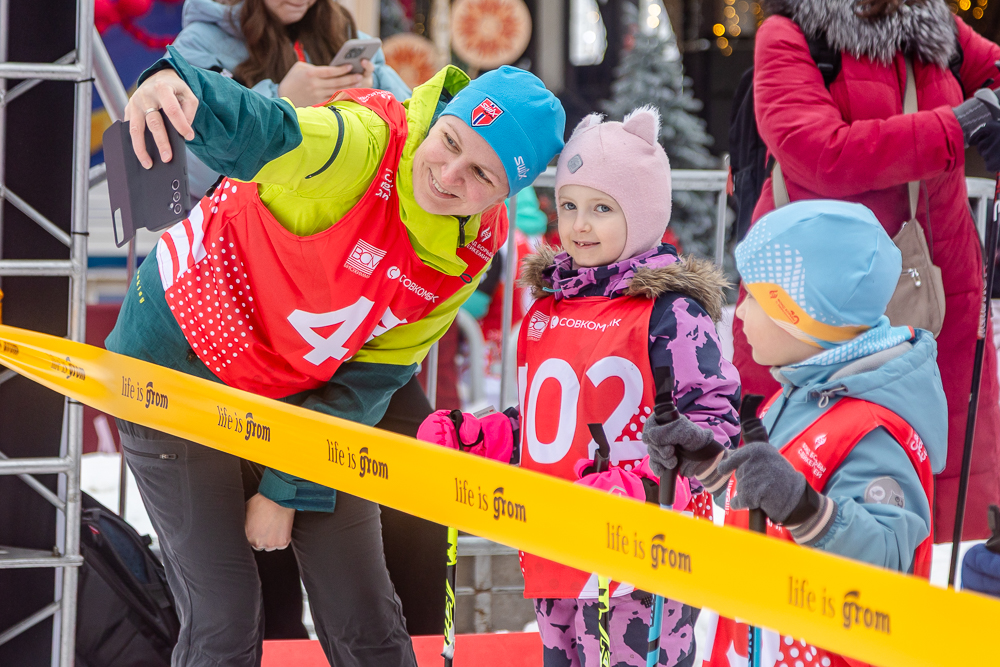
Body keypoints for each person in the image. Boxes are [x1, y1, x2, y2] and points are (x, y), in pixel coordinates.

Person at [106, 44, 565, 666]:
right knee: (227, 617)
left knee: (366, 615)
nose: (451, 174)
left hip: (296, 390)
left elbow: (369, 381)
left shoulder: (468, 249)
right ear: (439, 120)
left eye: (484, 175)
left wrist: (286, 489)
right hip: (176, 362)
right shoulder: (364, 143)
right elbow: (266, 131)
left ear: (507, 193)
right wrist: (174, 81)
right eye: (452, 141)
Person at [418, 108, 740, 667]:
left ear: (640, 215)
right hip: (556, 550)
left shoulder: (669, 313)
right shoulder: (549, 309)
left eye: (601, 209)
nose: (579, 226)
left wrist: (639, 489)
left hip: (641, 564)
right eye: (568, 206)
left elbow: (713, 433)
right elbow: (546, 428)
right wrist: (478, 440)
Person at [736, 0, 1000, 542]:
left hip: (935, 282)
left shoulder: (933, 25)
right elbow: (818, 153)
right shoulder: (792, 33)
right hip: (814, 301)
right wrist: (959, 126)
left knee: (935, 492)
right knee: (807, 489)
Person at [646, 200, 947, 666]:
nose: (739, 313)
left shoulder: (874, 427)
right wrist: (706, 460)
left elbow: (887, 564)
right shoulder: (800, 393)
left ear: (804, 315)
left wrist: (806, 507)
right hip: (758, 644)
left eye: (756, 299)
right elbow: (767, 502)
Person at [171, 0, 410, 200]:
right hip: (234, 234)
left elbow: (410, 128)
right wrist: (280, 100)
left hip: (327, 224)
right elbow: (188, 169)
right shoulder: (198, 43)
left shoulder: (342, 32)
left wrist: (369, 92)